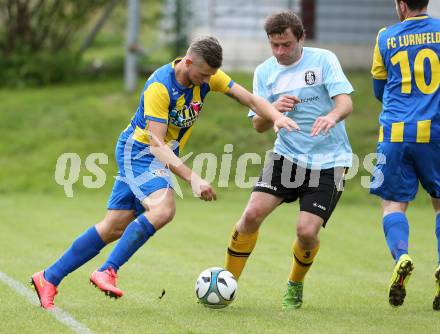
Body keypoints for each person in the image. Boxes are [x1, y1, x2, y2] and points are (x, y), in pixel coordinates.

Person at [30, 36, 298, 309]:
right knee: (163, 209)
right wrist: (193, 178)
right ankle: (107, 270)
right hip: (140, 153)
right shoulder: (159, 87)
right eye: (204, 74)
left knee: (113, 227)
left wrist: (277, 117)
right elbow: (156, 145)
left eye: (212, 76)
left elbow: (250, 100)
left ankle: (48, 278)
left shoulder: (208, 76)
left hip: (155, 153)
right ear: (188, 62)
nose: (208, 81)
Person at [223, 11, 354, 310]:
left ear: (301, 38)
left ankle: (295, 283)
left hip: (329, 161)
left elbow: (345, 102)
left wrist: (332, 117)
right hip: (287, 157)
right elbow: (258, 124)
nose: (280, 52)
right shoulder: (265, 72)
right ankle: (226, 282)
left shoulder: (323, 60)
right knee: (251, 215)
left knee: (306, 232)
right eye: (274, 45)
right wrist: (273, 110)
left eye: (286, 45)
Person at [370, 0, 440, 309]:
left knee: (393, 205)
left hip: (395, 134)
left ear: (401, 4)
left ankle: (402, 255)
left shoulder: (385, 37)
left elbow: (378, 90)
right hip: (435, 132)